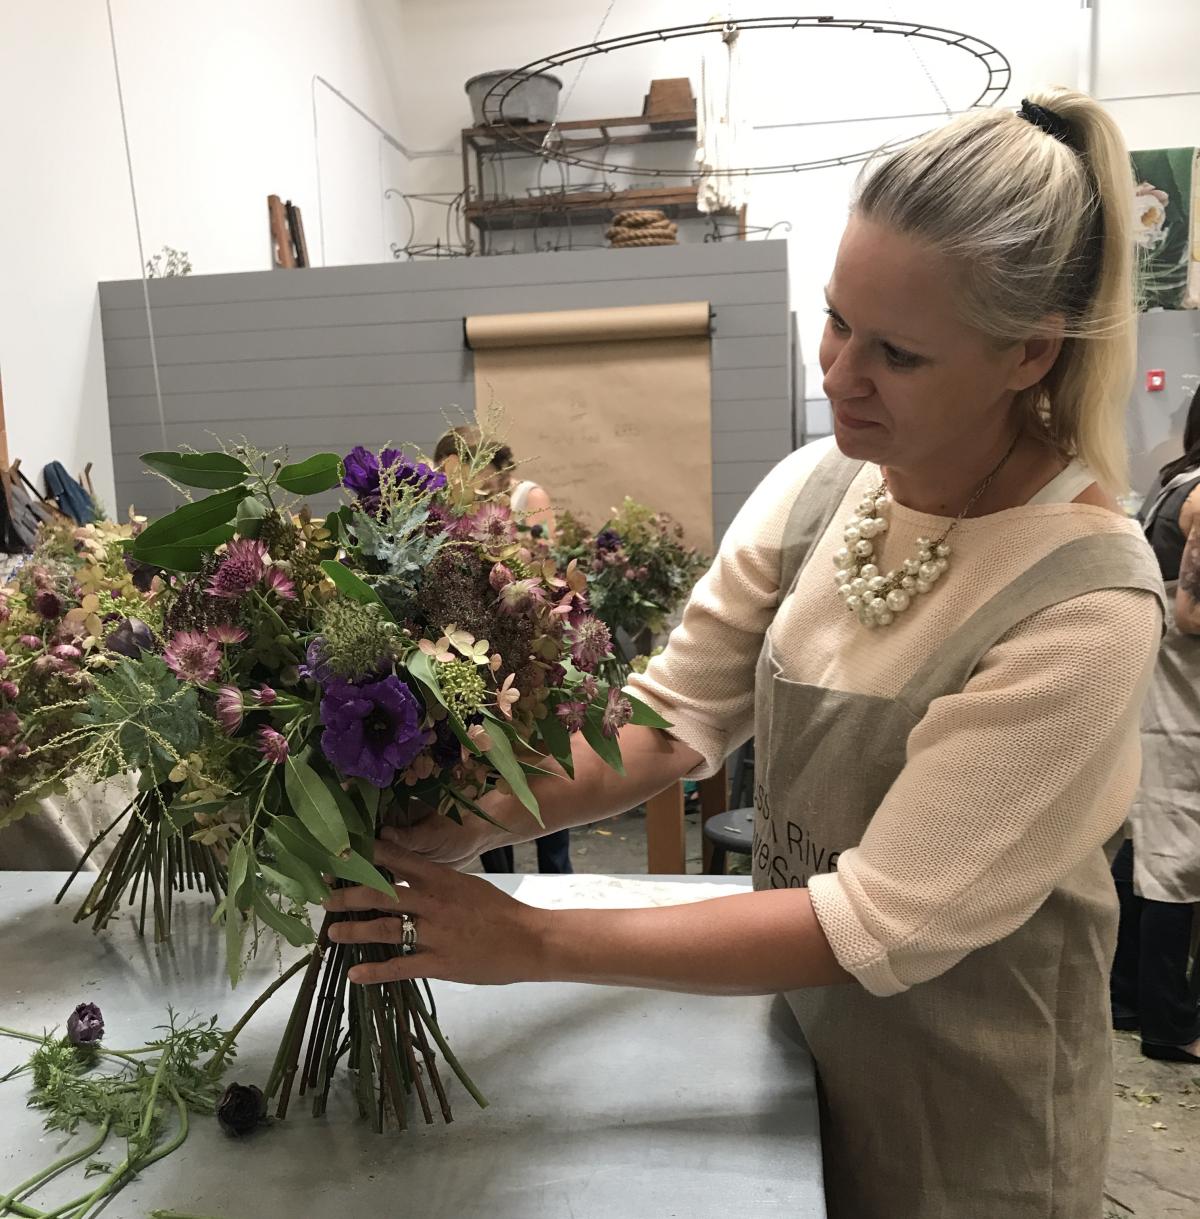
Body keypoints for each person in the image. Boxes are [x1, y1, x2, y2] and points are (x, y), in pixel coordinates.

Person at [332, 90, 1163, 1219]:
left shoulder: (1084, 605)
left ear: (1030, 353)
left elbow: (874, 920)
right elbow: (671, 721)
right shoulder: (820, 490)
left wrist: (530, 936)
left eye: (899, 354)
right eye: (837, 320)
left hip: (966, 1114)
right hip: (797, 1054)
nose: (840, 374)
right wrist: (469, 817)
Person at [432, 425, 570, 874]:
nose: (461, 483)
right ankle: (500, 878)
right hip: (475, 646)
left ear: (493, 466)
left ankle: (557, 873)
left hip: (527, 643)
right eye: (450, 474)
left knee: (542, 765)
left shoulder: (529, 497)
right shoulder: (449, 505)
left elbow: (545, 562)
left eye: (467, 471)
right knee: (488, 769)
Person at [1110, 384, 1200, 1063]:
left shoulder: (1175, 483)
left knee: (1146, 841)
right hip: (1184, 692)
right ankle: (1171, 1025)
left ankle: (1126, 997)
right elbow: (1194, 613)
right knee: (1177, 855)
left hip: (1157, 682)